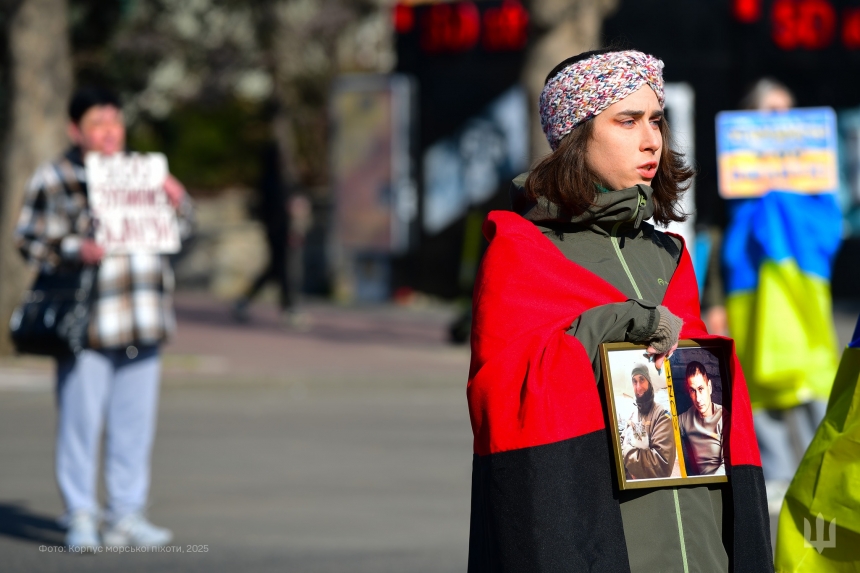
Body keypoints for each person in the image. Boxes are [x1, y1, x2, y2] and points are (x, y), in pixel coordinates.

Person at [467, 49, 772, 572]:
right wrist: (613, 322)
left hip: (699, 538)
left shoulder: (669, 256)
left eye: (655, 120)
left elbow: (710, 429)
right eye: (626, 121)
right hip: (600, 540)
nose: (651, 139)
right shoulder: (523, 251)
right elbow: (502, 400)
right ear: (575, 135)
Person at [14, 87, 193, 550]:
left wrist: (176, 200)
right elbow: (29, 238)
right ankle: (80, 515)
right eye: (98, 122)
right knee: (81, 422)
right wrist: (78, 247)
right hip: (88, 323)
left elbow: (183, 231)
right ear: (76, 129)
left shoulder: (145, 171)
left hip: (143, 316)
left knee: (135, 424)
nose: (109, 130)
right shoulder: (57, 176)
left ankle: (126, 515)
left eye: (115, 121)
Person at [723, 77, 841, 513]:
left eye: (786, 111)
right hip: (751, 290)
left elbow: (830, 227)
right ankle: (777, 474)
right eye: (770, 112)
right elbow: (723, 236)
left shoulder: (818, 173)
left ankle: (824, 471)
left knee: (814, 379)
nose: (781, 121)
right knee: (756, 384)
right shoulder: (735, 174)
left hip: (802, 287)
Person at [621, 365, 675, 479]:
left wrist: (625, 453)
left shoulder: (662, 415)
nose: (638, 386)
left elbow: (661, 464)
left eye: (642, 379)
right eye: (634, 382)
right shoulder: (632, 414)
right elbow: (620, 442)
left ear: (649, 382)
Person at [678, 361, 725, 476]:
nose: (698, 399)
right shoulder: (687, 417)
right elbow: (665, 427)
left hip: (720, 485)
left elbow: (727, 464)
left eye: (700, 389)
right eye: (693, 391)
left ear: (709, 387)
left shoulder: (723, 417)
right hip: (699, 486)